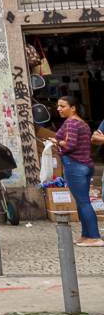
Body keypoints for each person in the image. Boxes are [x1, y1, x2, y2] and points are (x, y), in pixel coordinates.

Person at [56, 95, 103, 247]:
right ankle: (86, 235)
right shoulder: (82, 123)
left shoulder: (71, 123)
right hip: (85, 165)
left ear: (73, 108)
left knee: (83, 202)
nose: (59, 109)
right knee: (82, 202)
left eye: (63, 106)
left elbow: (69, 145)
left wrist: (55, 142)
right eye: (58, 106)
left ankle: (94, 236)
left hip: (75, 165)